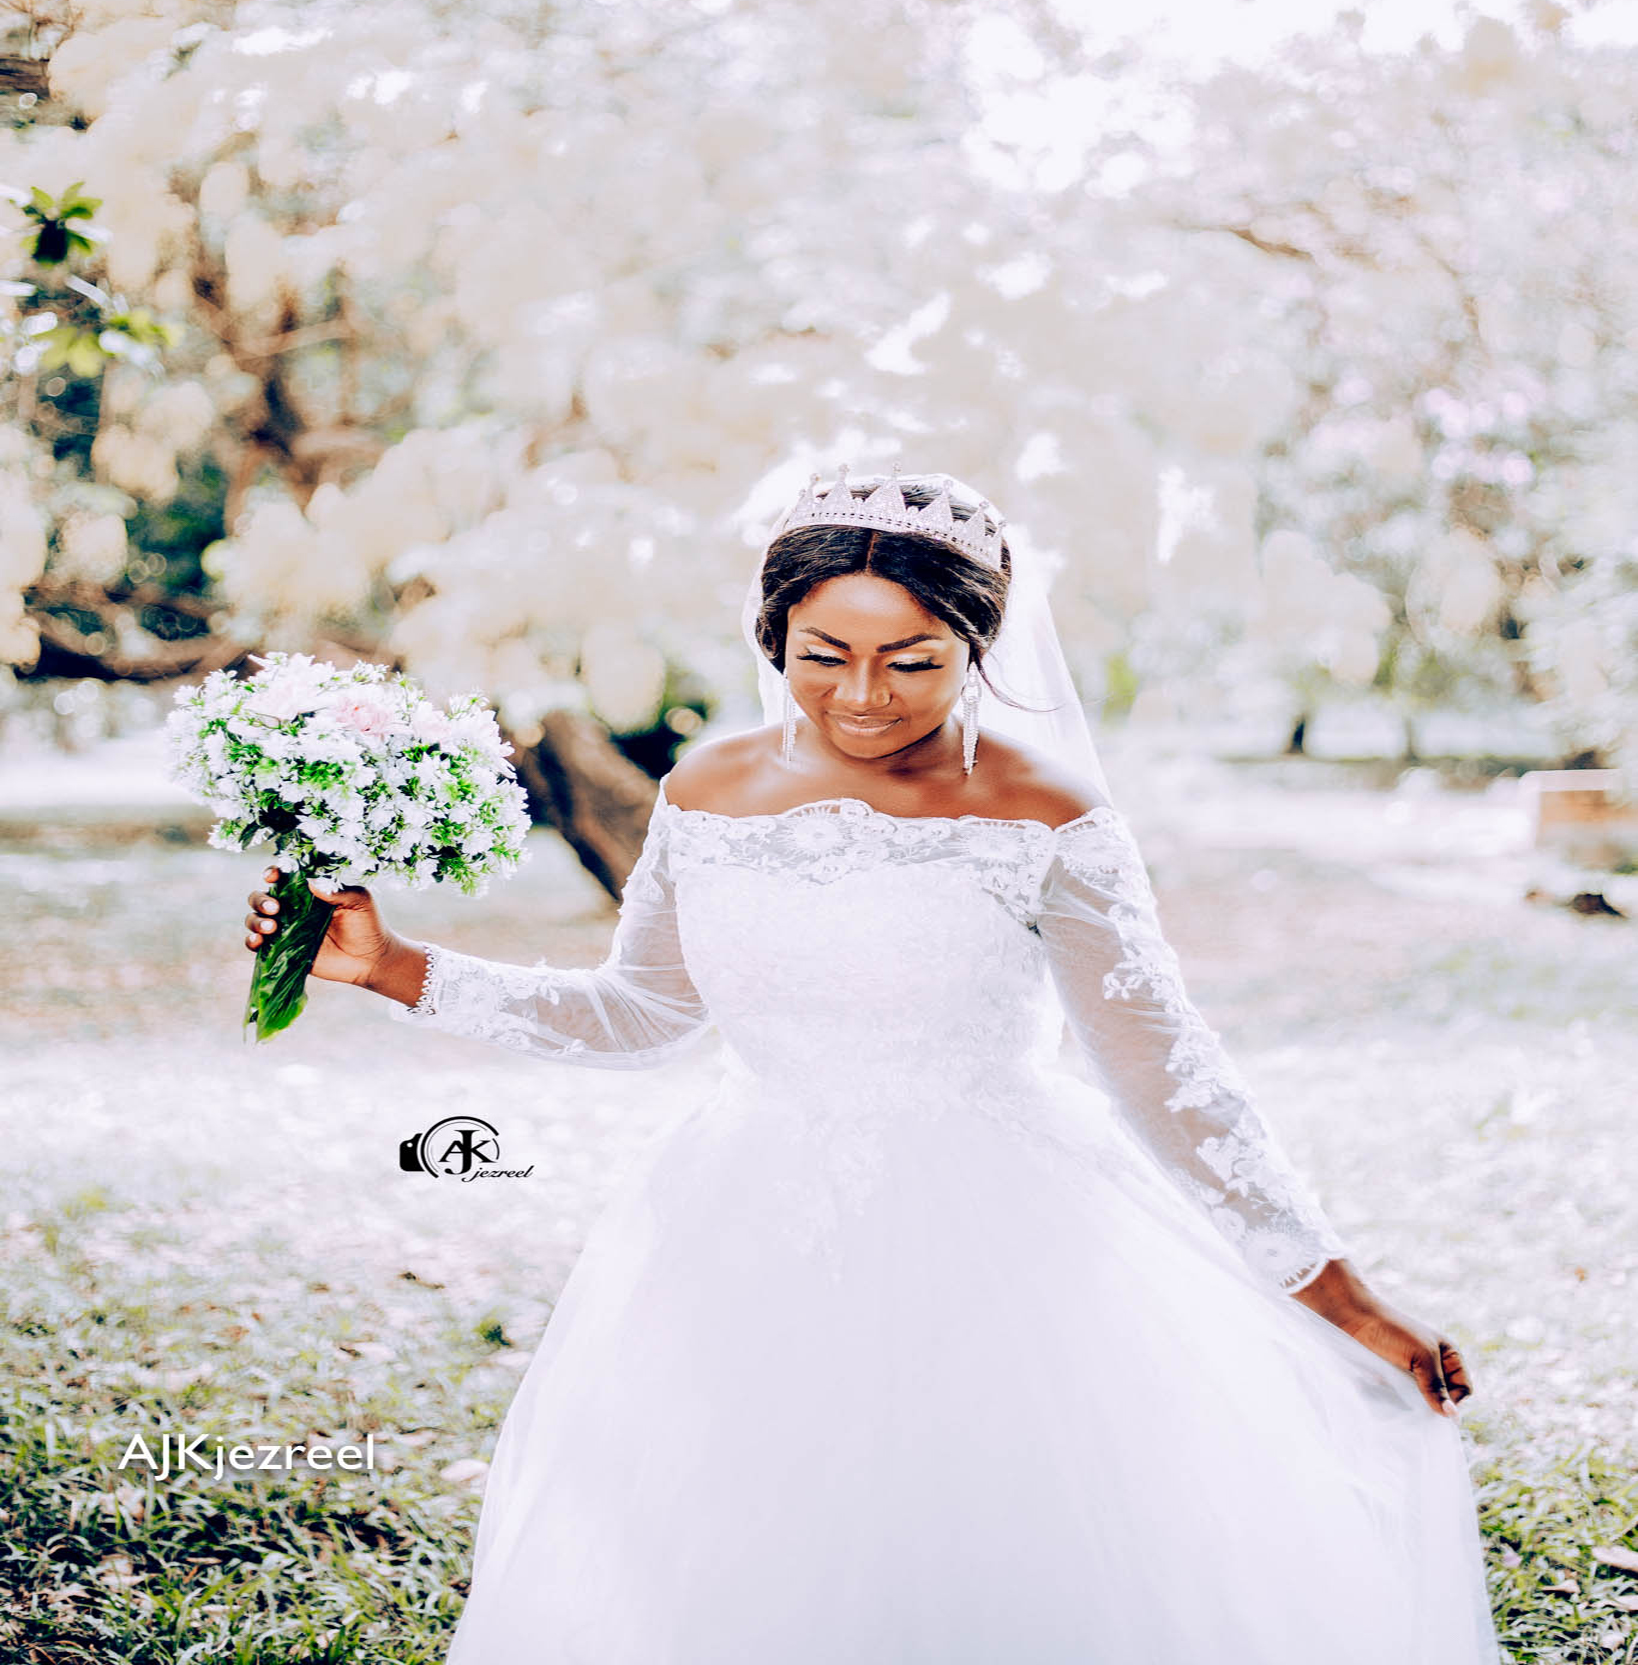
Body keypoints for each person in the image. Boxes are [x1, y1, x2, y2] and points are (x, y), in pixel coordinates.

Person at [244, 466, 1501, 1664]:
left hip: (1005, 1238)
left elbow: (1168, 1075)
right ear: (771, 637)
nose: (862, 694)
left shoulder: (1044, 812)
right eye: (821, 655)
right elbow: (642, 1010)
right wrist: (393, 965)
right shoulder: (709, 788)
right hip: (741, 1226)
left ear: (980, 649)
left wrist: (1342, 1296)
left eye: (915, 660)